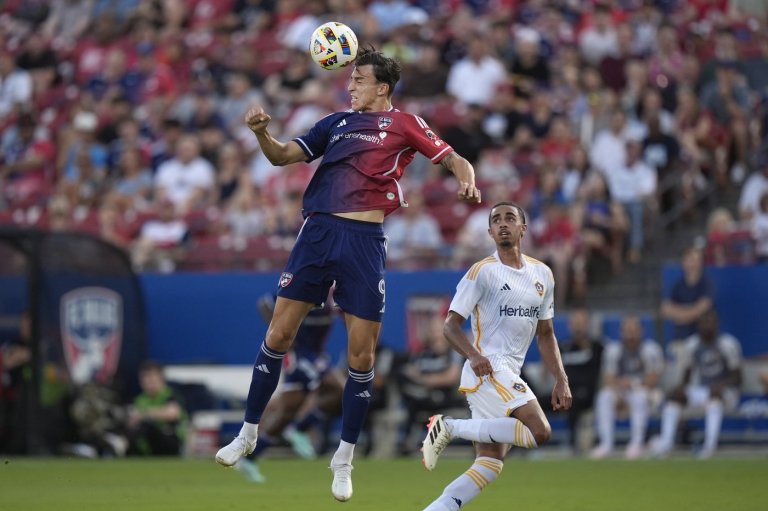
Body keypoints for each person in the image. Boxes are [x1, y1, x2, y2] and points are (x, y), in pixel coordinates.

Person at [215, 47, 482, 503]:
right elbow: (282, 156)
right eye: (350, 78)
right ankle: (248, 433)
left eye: (359, 79)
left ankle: (343, 459)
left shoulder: (404, 124)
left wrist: (466, 178)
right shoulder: (335, 123)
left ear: (382, 87)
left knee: (362, 357)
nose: (350, 84)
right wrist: (261, 133)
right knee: (278, 334)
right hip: (317, 233)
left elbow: (454, 158)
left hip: (363, 242)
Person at [420, 202, 572, 511]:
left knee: (490, 462)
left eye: (510, 218)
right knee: (539, 432)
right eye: (496, 220)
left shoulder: (543, 274)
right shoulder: (482, 272)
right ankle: (449, 427)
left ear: (523, 228)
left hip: (508, 371)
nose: (503, 223)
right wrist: (474, 355)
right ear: (490, 232)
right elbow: (449, 326)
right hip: (488, 368)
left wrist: (561, 378)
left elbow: (546, 333)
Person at [236, 293, 342, 483]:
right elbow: (265, 303)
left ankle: (250, 458)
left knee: (286, 414)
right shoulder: (307, 286)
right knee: (337, 390)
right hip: (299, 354)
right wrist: (279, 330)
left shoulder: (338, 292)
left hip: (315, 354)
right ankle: (300, 429)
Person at [650, 309, 742, 459]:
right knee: (673, 401)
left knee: (714, 402)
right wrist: (681, 389)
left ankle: (709, 447)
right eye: (704, 322)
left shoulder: (728, 344)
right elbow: (686, 377)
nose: (708, 326)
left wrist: (720, 386)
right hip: (704, 390)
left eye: (711, 322)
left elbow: (737, 379)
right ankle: (666, 445)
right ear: (698, 325)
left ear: (717, 324)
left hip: (728, 392)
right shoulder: (692, 344)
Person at [590, 316, 663, 460]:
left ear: (641, 331)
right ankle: (606, 444)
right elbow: (608, 378)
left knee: (639, 396)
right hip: (621, 391)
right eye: (627, 330)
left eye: (634, 330)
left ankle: (636, 443)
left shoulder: (651, 349)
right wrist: (620, 387)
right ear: (621, 332)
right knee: (604, 396)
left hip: (647, 392)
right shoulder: (613, 350)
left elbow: (652, 379)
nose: (630, 334)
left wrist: (633, 384)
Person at [559, 308, 604, 455]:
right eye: (575, 323)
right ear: (570, 325)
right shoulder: (563, 347)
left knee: (573, 401)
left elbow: (599, 372)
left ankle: (573, 445)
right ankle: (528, 443)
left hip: (586, 393)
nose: (578, 327)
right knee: (535, 402)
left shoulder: (596, 347)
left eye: (581, 323)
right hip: (564, 391)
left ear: (587, 325)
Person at [126, 360, 187, 456]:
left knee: (146, 426)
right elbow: (131, 421)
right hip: (145, 443)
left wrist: (144, 415)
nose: (147, 382)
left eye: (151, 378)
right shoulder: (139, 399)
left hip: (170, 440)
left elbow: (172, 413)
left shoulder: (170, 395)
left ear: (161, 378)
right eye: (144, 379)